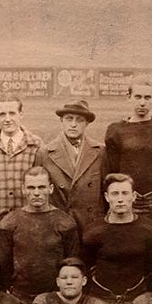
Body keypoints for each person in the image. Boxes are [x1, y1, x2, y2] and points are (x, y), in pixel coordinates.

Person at [0, 166, 81, 304]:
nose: (36, 192)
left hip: (55, 297)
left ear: (50, 189)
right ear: (23, 189)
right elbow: (4, 263)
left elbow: (72, 262)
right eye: (31, 187)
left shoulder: (65, 222)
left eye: (41, 187)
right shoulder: (9, 222)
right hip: (21, 298)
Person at [103, 77, 152, 243]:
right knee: (127, 242)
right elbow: (113, 170)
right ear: (129, 97)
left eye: (147, 98)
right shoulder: (116, 130)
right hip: (127, 198)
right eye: (138, 97)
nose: (142, 103)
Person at [81, 173, 152, 304]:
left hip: (137, 298)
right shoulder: (93, 230)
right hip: (101, 299)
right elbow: (85, 267)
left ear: (134, 196)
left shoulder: (148, 228)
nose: (120, 199)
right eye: (115, 194)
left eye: (125, 193)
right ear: (107, 197)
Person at [35, 99, 106, 234]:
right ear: (62, 121)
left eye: (79, 120)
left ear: (87, 123)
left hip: (91, 225)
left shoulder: (100, 151)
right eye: (69, 119)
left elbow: (104, 192)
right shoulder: (45, 153)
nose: (73, 124)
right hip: (58, 225)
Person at [0, 94, 43, 226]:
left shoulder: (36, 144)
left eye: (12, 113)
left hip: (26, 222)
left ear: (21, 114)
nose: (7, 119)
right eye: (2, 114)